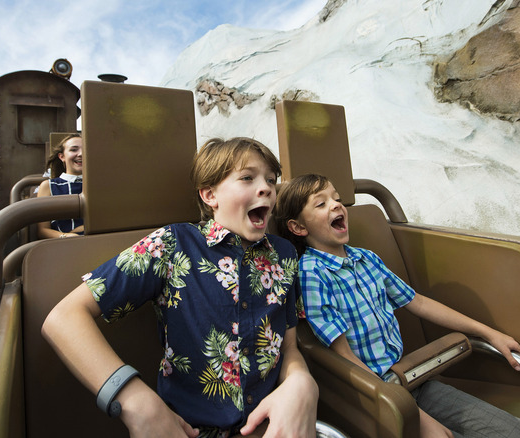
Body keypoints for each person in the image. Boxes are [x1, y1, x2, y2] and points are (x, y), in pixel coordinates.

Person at [42, 138, 318, 437]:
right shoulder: (173, 244)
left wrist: (301, 381)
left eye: (270, 180)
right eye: (247, 178)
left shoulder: (284, 254)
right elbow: (63, 318)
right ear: (210, 194)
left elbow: (288, 346)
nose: (265, 187)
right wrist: (134, 400)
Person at [273, 173, 520, 438]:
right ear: (298, 227)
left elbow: (419, 303)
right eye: (321, 204)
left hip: (411, 379)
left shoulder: (366, 258)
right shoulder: (311, 274)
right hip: (377, 395)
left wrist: (487, 332)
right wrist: (414, 416)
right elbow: (344, 356)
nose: (335, 205)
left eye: (337, 198)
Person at [36, 133, 85, 239]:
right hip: (66, 243)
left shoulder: (100, 185)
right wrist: (66, 236)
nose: (81, 154)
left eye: (85, 149)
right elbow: (42, 230)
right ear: (62, 156)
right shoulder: (49, 186)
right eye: (73, 150)